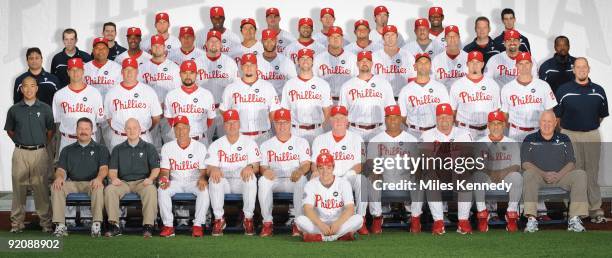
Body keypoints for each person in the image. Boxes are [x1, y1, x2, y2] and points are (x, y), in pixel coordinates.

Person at [554, 57, 608, 224]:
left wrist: (587, 126)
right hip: (570, 134)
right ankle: (576, 210)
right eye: (578, 67)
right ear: (574, 70)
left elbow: (600, 116)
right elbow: (557, 116)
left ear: (588, 69)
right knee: (573, 172)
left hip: (591, 134)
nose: (582, 70)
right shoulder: (563, 90)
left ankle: (595, 209)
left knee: (592, 172)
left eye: (584, 67)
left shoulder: (599, 90)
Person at [521, 111, 588, 233]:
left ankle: (574, 219)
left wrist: (559, 175)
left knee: (580, 174)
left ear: (555, 122)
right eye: (544, 121)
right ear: (539, 122)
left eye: (550, 121)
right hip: (539, 178)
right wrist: (543, 174)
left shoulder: (564, 138)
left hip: (561, 177)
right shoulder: (529, 139)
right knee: (528, 174)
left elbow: (571, 162)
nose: (546, 124)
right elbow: (525, 163)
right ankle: (531, 219)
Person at [5, 76, 54, 233]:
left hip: (40, 152)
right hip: (20, 153)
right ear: (21, 89)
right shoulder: (14, 109)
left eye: (32, 86)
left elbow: (50, 131)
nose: (29, 89)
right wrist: (21, 142)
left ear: (37, 88)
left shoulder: (45, 108)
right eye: (25, 86)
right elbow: (10, 131)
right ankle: (16, 224)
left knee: (41, 189)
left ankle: (46, 224)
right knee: (19, 188)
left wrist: (40, 144)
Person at [311, 106, 369, 235]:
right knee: (313, 179)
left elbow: (361, 163)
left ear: (347, 120)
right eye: (335, 118)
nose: (338, 121)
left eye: (341, 118)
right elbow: (314, 164)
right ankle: (318, 221)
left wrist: (350, 173)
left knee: (362, 180)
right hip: (327, 177)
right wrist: (317, 172)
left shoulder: (356, 138)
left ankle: (361, 219)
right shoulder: (320, 139)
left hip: (349, 177)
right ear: (330, 120)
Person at [418, 103, 474, 235]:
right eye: (441, 117)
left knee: (465, 174)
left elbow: (469, 157)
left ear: (452, 117)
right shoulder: (427, 135)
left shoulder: (464, 134)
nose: (444, 120)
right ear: (436, 118)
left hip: (457, 172)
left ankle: (463, 222)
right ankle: (438, 223)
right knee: (430, 177)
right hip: (437, 173)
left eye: (447, 117)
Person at [206, 110, 261, 236]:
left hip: (241, 181)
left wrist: (251, 166)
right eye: (228, 123)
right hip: (224, 182)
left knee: (251, 177)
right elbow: (209, 168)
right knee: (214, 178)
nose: (232, 126)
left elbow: (257, 166)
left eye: (234, 122)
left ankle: (248, 219)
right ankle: (219, 219)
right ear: (224, 125)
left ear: (239, 124)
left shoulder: (250, 142)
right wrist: (213, 169)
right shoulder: (216, 144)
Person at [51, 117, 109, 237]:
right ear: (76, 130)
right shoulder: (67, 150)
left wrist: (99, 179)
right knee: (56, 186)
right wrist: (60, 177)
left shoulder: (101, 149)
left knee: (98, 187)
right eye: (81, 128)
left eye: (87, 128)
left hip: (91, 183)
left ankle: (96, 224)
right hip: (72, 183)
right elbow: (61, 169)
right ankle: (60, 225)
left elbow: (104, 169)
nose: (83, 131)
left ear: (92, 131)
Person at [258, 109, 311, 237]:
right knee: (262, 181)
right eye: (278, 122)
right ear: (274, 124)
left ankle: (298, 223)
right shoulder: (266, 145)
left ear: (290, 123)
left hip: (293, 179)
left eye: (285, 122)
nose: (282, 126)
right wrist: (265, 171)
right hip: (275, 180)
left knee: (302, 180)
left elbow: (306, 164)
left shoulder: (301, 142)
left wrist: (300, 170)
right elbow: (263, 167)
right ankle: (267, 223)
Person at [367, 105, 419, 234]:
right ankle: (377, 218)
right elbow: (370, 162)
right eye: (389, 118)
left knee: (419, 178)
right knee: (371, 178)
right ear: (385, 120)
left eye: (396, 117)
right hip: (384, 178)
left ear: (401, 119)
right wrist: (375, 170)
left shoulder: (411, 139)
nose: (393, 121)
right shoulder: (376, 140)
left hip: (406, 179)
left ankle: (415, 218)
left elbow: (417, 163)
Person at [104, 118, 159, 237]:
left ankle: (148, 226)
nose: (132, 130)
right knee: (110, 189)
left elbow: (156, 168)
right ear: (125, 130)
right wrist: (113, 178)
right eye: (128, 128)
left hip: (142, 182)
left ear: (140, 130)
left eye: (135, 128)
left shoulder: (149, 147)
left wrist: (150, 179)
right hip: (123, 182)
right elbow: (112, 170)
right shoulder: (117, 149)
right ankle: (114, 225)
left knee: (151, 189)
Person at [158, 116, 210, 237]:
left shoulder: (200, 147)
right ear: (173, 130)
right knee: (162, 189)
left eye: (184, 128)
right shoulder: (167, 147)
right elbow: (165, 171)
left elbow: (203, 171)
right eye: (178, 128)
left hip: (194, 181)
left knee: (204, 191)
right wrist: (164, 179)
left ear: (189, 129)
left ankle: (197, 225)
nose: (181, 132)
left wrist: (203, 178)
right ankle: (168, 226)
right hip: (175, 181)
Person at [296, 152, 363, 242]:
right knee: (299, 220)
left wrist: (338, 224)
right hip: (319, 222)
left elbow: (350, 209)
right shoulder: (310, 184)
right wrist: (321, 224)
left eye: (328, 167)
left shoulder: (343, 183)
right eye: (321, 167)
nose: (325, 171)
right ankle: (338, 236)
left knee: (359, 219)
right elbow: (307, 209)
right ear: (317, 168)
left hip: (339, 221)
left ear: (333, 167)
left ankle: (321, 237)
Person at [474, 111, 522, 232]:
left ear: (504, 125)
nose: (496, 127)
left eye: (499, 123)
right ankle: (482, 214)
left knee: (517, 177)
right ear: (488, 126)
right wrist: (492, 173)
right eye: (493, 124)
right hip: (487, 178)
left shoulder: (512, 142)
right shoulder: (479, 143)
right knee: (477, 176)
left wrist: (499, 173)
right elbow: (476, 166)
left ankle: (511, 214)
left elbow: (516, 166)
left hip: (506, 178)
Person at [220, 53, 280, 145]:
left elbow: (274, 112)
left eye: (251, 65)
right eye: (246, 65)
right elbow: (223, 110)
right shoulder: (231, 88)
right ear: (241, 67)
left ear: (256, 67)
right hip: (240, 137)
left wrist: (264, 122)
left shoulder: (267, 87)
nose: (249, 67)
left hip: (263, 136)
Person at [104, 57, 162, 151]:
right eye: (126, 70)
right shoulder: (111, 93)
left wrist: (144, 129)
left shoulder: (148, 91)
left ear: (137, 71)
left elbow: (156, 117)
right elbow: (109, 118)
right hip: (119, 139)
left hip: (143, 137)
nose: (129, 73)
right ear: (122, 72)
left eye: (132, 70)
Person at [500, 52, 557, 142]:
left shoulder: (543, 85)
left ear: (531, 65)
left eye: (527, 63)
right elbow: (504, 114)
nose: (524, 67)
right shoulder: (507, 88)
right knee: (516, 156)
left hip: (537, 131)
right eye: (521, 64)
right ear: (516, 66)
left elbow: (550, 112)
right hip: (516, 132)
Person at [339, 51, 396, 141]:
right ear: (357, 64)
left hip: (379, 130)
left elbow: (391, 112)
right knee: (357, 155)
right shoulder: (347, 86)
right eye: (361, 61)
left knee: (376, 155)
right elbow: (342, 114)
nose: (364, 63)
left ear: (372, 63)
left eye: (367, 60)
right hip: (355, 130)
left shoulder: (384, 84)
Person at [52, 58, 104, 153]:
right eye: (72, 70)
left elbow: (99, 120)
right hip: (67, 141)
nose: (75, 73)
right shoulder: (59, 95)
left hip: (89, 140)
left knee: (91, 168)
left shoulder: (94, 93)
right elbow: (58, 120)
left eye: (78, 70)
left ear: (83, 71)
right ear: (68, 72)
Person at [138, 35, 181, 149]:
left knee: (171, 144)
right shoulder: (143, 68)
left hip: (169, 112)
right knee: (151, 145)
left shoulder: (174, 68)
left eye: (160, 46)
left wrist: (165, 105)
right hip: (149, 113)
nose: (157, 48)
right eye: (154, 46)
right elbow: (139, 92)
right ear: (151, 48)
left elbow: (178, 92)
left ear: (164, 47)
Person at [280, 48, 332, 143]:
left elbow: (327, 111)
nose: (305, 61)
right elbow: (285, 111)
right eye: (302, 58)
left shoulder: (323, 84)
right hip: (295, 131)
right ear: (298, 62)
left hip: (317, 131)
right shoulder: (289, 84)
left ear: (312, 62)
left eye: (308, 58)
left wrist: (321, 128)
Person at [195, 30, 239, 140]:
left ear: (221, 44)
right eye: (211, 41)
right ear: (205, 43)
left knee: (227, 143)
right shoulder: (197, 63)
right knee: (202, 143)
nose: (214, 44)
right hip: (203, 111)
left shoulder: (230, 63)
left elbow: (236, 88)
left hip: (223, 110)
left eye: (217, 41)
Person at [449, 51, 500, 140]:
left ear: (482, 64)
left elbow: (496, 110)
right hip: (464, 129)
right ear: (467, 64)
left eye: (478, 62)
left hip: (487, 130)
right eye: (472, 62)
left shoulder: (492, 84)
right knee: (466, 154)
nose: (475, 65)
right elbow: (452, 112)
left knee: (486, 154)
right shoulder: (457, 85)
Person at [397, 53, 449, 139]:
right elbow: (402, 116)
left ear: (430, 66)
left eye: (426, 63)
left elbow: (446, 113)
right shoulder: (405, 90)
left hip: (434, 131)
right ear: (415, 66)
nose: (423, 65)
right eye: (420, 63)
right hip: (413, 133)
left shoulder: (440, 88)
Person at [164, 60, 216, 145]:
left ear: (196, 74)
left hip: (200, 140)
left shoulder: (207, 94)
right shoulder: (171, 95)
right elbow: (170, 119)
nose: (188, 76)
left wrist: (198, 130)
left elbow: (210, 119)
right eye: (185, 73)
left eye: (191, 73)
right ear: (180, 74)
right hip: (178, 141)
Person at [312, 26, 358, 103]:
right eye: (332, 36)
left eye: (338, 36)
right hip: (325, 100)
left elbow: (357, 81)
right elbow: (314, 81)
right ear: (328, 39)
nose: (335, 39)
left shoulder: (352, 58)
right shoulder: (319, 58)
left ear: (342, 39)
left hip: (347, 100)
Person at [372, 25, 416, 99]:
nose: (390, 38)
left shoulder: (407, 55)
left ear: (397, 36)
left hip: (402, 97)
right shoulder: (374, 56)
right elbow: (370, 79)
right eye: (387, 35)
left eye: (393, 35)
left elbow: (413, 78)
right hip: (381, 98)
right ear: (383, 37)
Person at [257, 29, 297, 95]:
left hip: (281, 101)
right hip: (261, 101)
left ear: (276, 40)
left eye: (272, 40)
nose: (269, 43)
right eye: (266, 40)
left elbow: (294, 83)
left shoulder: (286, 61)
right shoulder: (255, 61)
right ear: (261, 41)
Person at [431, 25, 468, 90]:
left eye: (455, 36)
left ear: (459, 37)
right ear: (445, 39)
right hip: (443, 97)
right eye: (449, 36)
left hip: (464, 97)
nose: (452, 39)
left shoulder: (468, 57)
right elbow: (432, 82)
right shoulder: (436, 60)